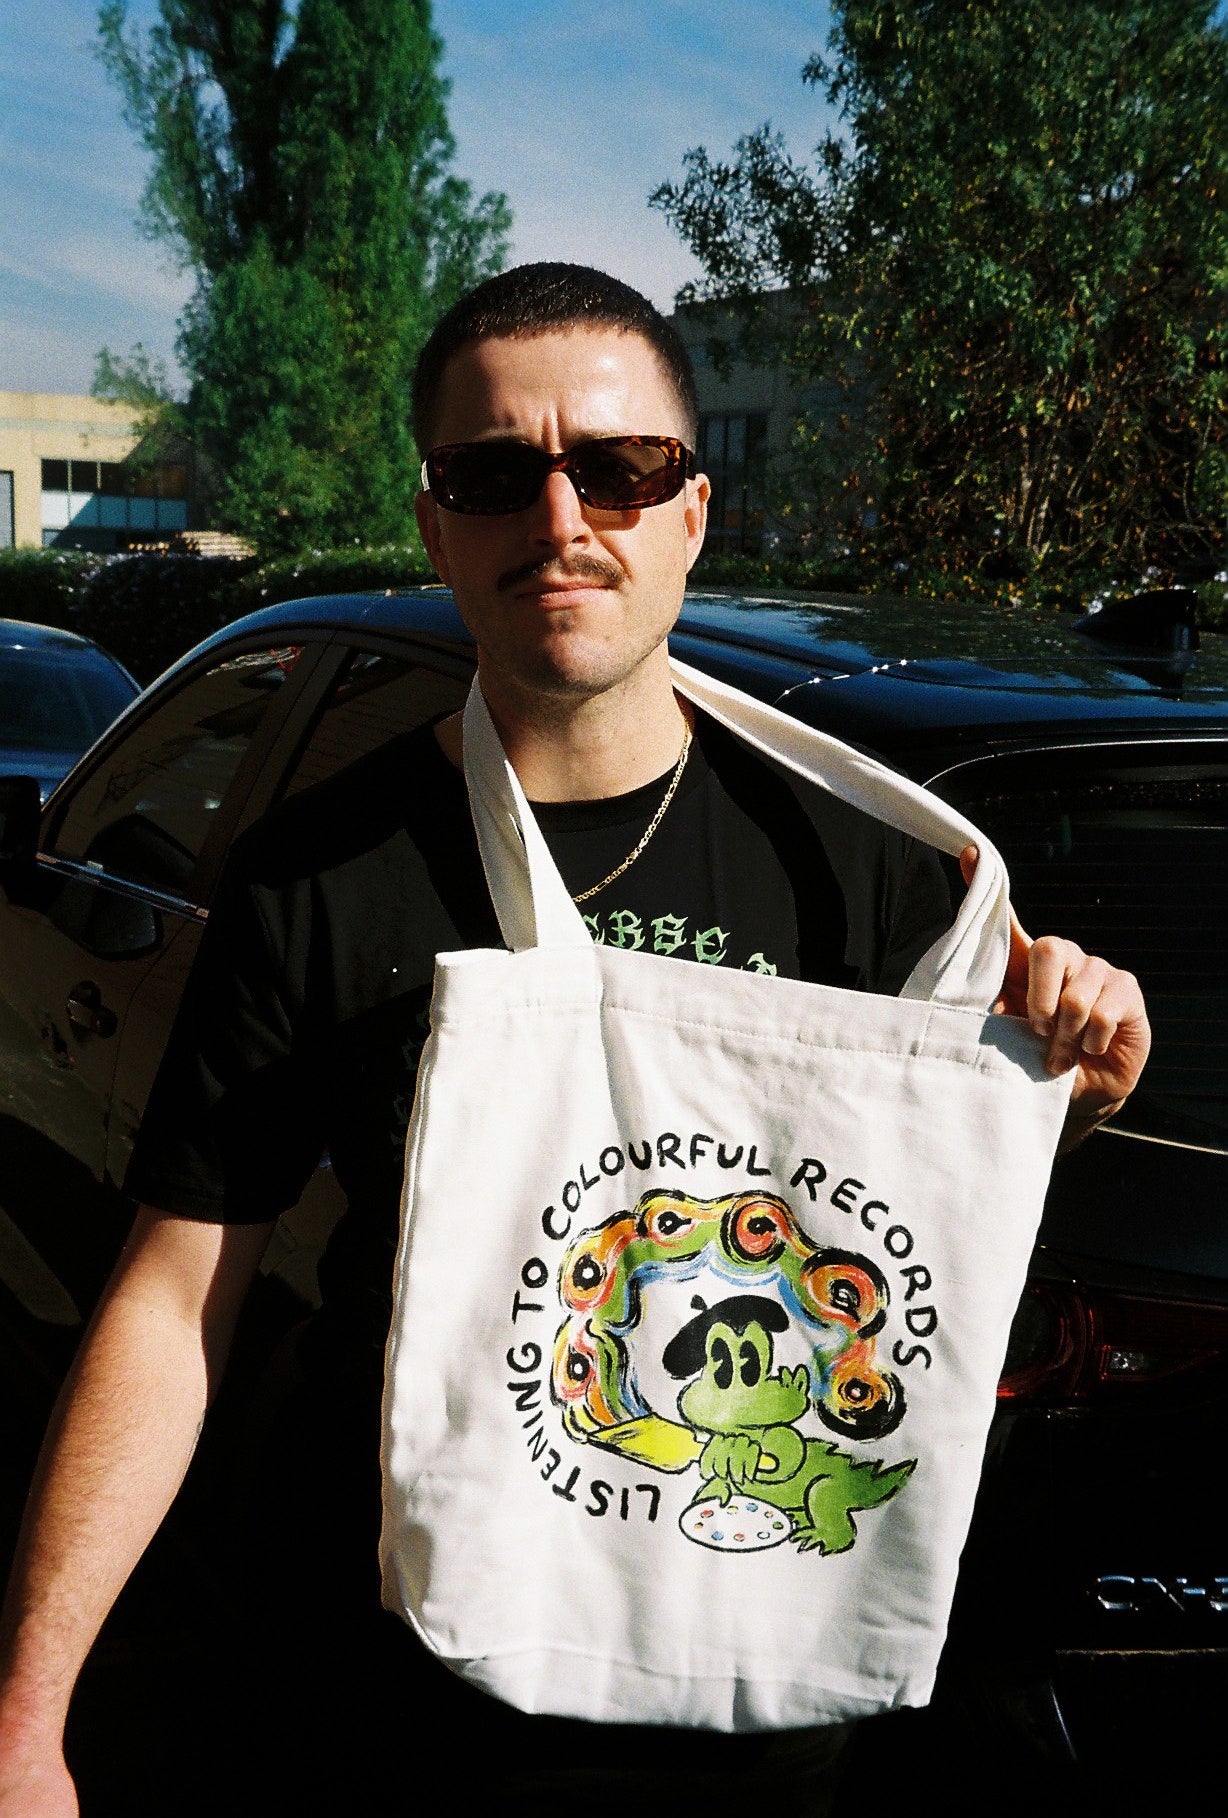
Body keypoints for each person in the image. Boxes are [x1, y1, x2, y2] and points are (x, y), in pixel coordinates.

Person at [0, 263, 1150, 1816]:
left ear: (692, 512)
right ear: (435, 526)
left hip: (756, 1714)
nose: (560, 518)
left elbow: (915, 1219)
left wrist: (1063, 1085)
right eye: (495, 475)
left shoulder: (874, 872)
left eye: (618, 468)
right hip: (395, 1697)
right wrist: (29, 1710)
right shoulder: (318, 875)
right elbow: (171, 1299)